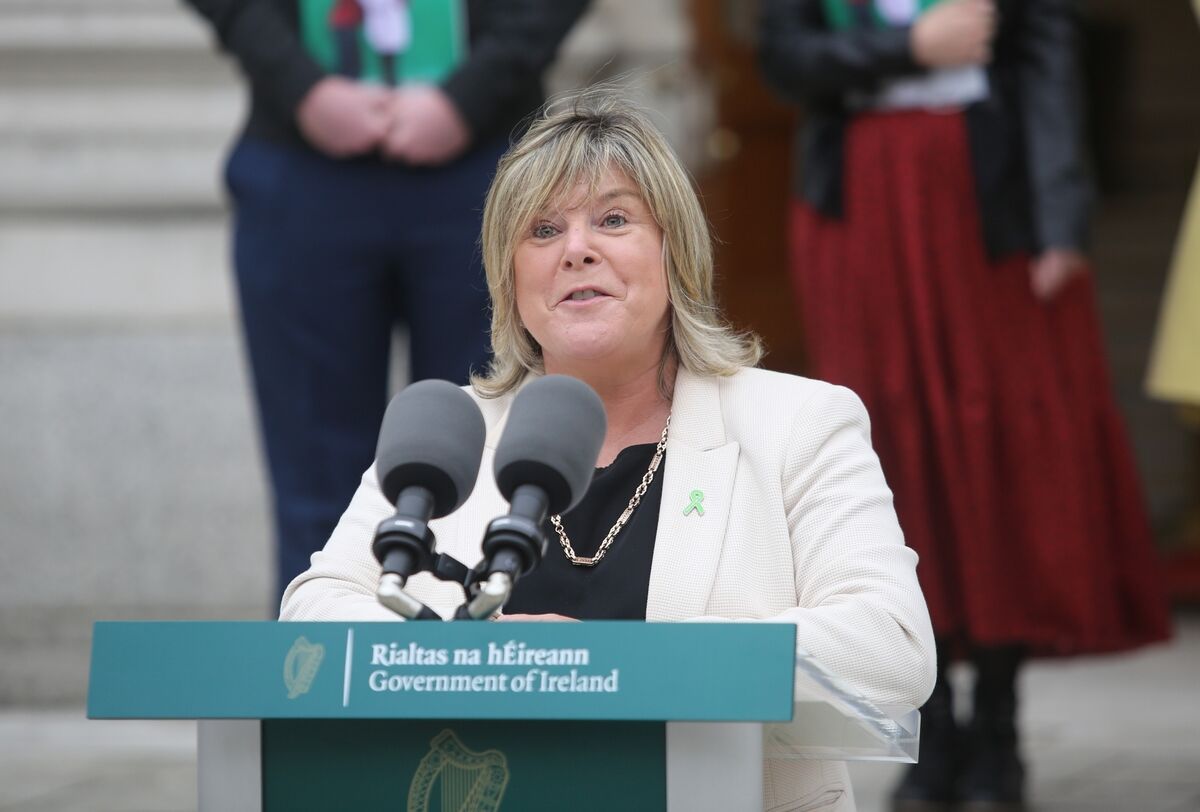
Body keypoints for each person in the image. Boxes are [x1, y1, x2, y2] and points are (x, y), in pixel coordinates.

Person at [282, 92, 937, 810]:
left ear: (675, 253)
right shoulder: (450, 433)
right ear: (510, 279)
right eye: (542, 230)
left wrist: (616, 666)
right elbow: (316, 611)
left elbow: (891, 647)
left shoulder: (799, 423)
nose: (576, 249)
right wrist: (466, 663)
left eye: (614, 220)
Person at [757, 1, 1172, 810]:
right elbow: (785, 59)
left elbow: (1048, 57)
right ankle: (933, 727)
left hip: (991, 206)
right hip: (863, 209)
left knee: (1006, 453)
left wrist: (1060, 217)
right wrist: (909, 46)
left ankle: (999, 729)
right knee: (895, 457)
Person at [181, 0, 590, 599]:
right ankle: (318, 680)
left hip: (487, 162)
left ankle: (480, 678)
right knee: (317, 492)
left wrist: (471, 92)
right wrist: (301, 86)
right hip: (301, 164)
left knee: (495, 468)